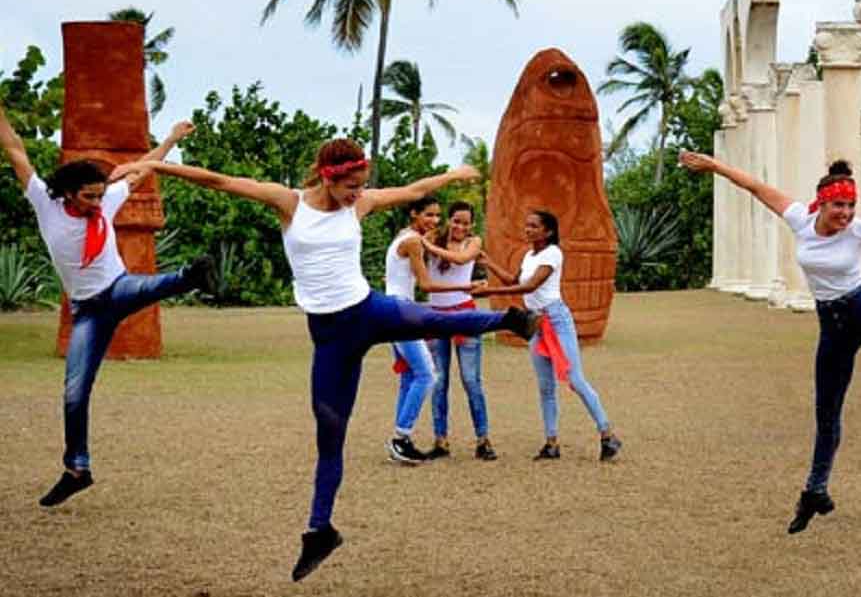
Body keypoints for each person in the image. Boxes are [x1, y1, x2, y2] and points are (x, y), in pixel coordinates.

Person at [109, 141, 538, 582]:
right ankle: (320, 531)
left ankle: (511, 319)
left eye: (362, 186)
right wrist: (154, 164)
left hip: (368, 311)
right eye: (351, 186)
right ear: (328, 177)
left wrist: (451, 176)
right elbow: (221, 181)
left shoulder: (360, 205)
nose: (358, 194)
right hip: (331, 339)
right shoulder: (289, 203)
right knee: (330, 434)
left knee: (432, 320)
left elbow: (412, 191)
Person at [679, 151, 861, 536]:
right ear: (821, 203)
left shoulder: (858, 230)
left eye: (851, 206)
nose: (846, 214)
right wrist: (715, 166)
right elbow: (754, 186)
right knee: (827, 413)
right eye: (839, 205)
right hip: (833, 327)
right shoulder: (799, 219)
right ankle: (815, 490)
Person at [1, 108, 211, 508]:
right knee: (74, 393)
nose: (98, 202)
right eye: (89, 196)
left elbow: (143, 169)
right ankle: (77, 469)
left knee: (146, 286)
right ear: (68, 193)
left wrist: (171, 139)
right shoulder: (45, 203)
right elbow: (15, 150)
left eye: (100, 194)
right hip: (87, 313)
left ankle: (192, 275)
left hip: (117, 288)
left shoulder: (106, 202)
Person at [477, 210, 621, 463]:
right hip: (535, 322)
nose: (528, 229)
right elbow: (514, 280)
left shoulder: (553, 253)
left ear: (548, 231)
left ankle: (607, 434)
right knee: (545, 386)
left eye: (534, 226)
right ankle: (551, 442)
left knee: (575, 379)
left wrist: (489, 291)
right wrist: (489, 264)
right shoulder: (529, 255)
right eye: (527, 225)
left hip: (556, 320)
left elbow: (530, 286)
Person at [381, 197, 480, 464]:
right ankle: (401, 438)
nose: (434, 221)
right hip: (401, 313)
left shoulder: (405, 236)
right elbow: (426, 285)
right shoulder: (414, 241)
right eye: (428, 215)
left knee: (409, 377)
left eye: (437, 215)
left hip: (393, 309)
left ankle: (401, 440)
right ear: (414, 214)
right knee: (427, 375)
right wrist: (465, 287)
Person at [420, 201, 495, 460]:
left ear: (472, 224)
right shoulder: (433, 237)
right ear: (448, 220)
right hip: (436, 315)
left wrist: (429, 247)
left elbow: (462, 259)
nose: (460, 227)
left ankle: (483, 439)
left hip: (464, 314)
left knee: (471, 380)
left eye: (465, 222)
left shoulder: (473, 242)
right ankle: (441, 440)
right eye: (456, 221)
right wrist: (427, 243)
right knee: (438, 381)